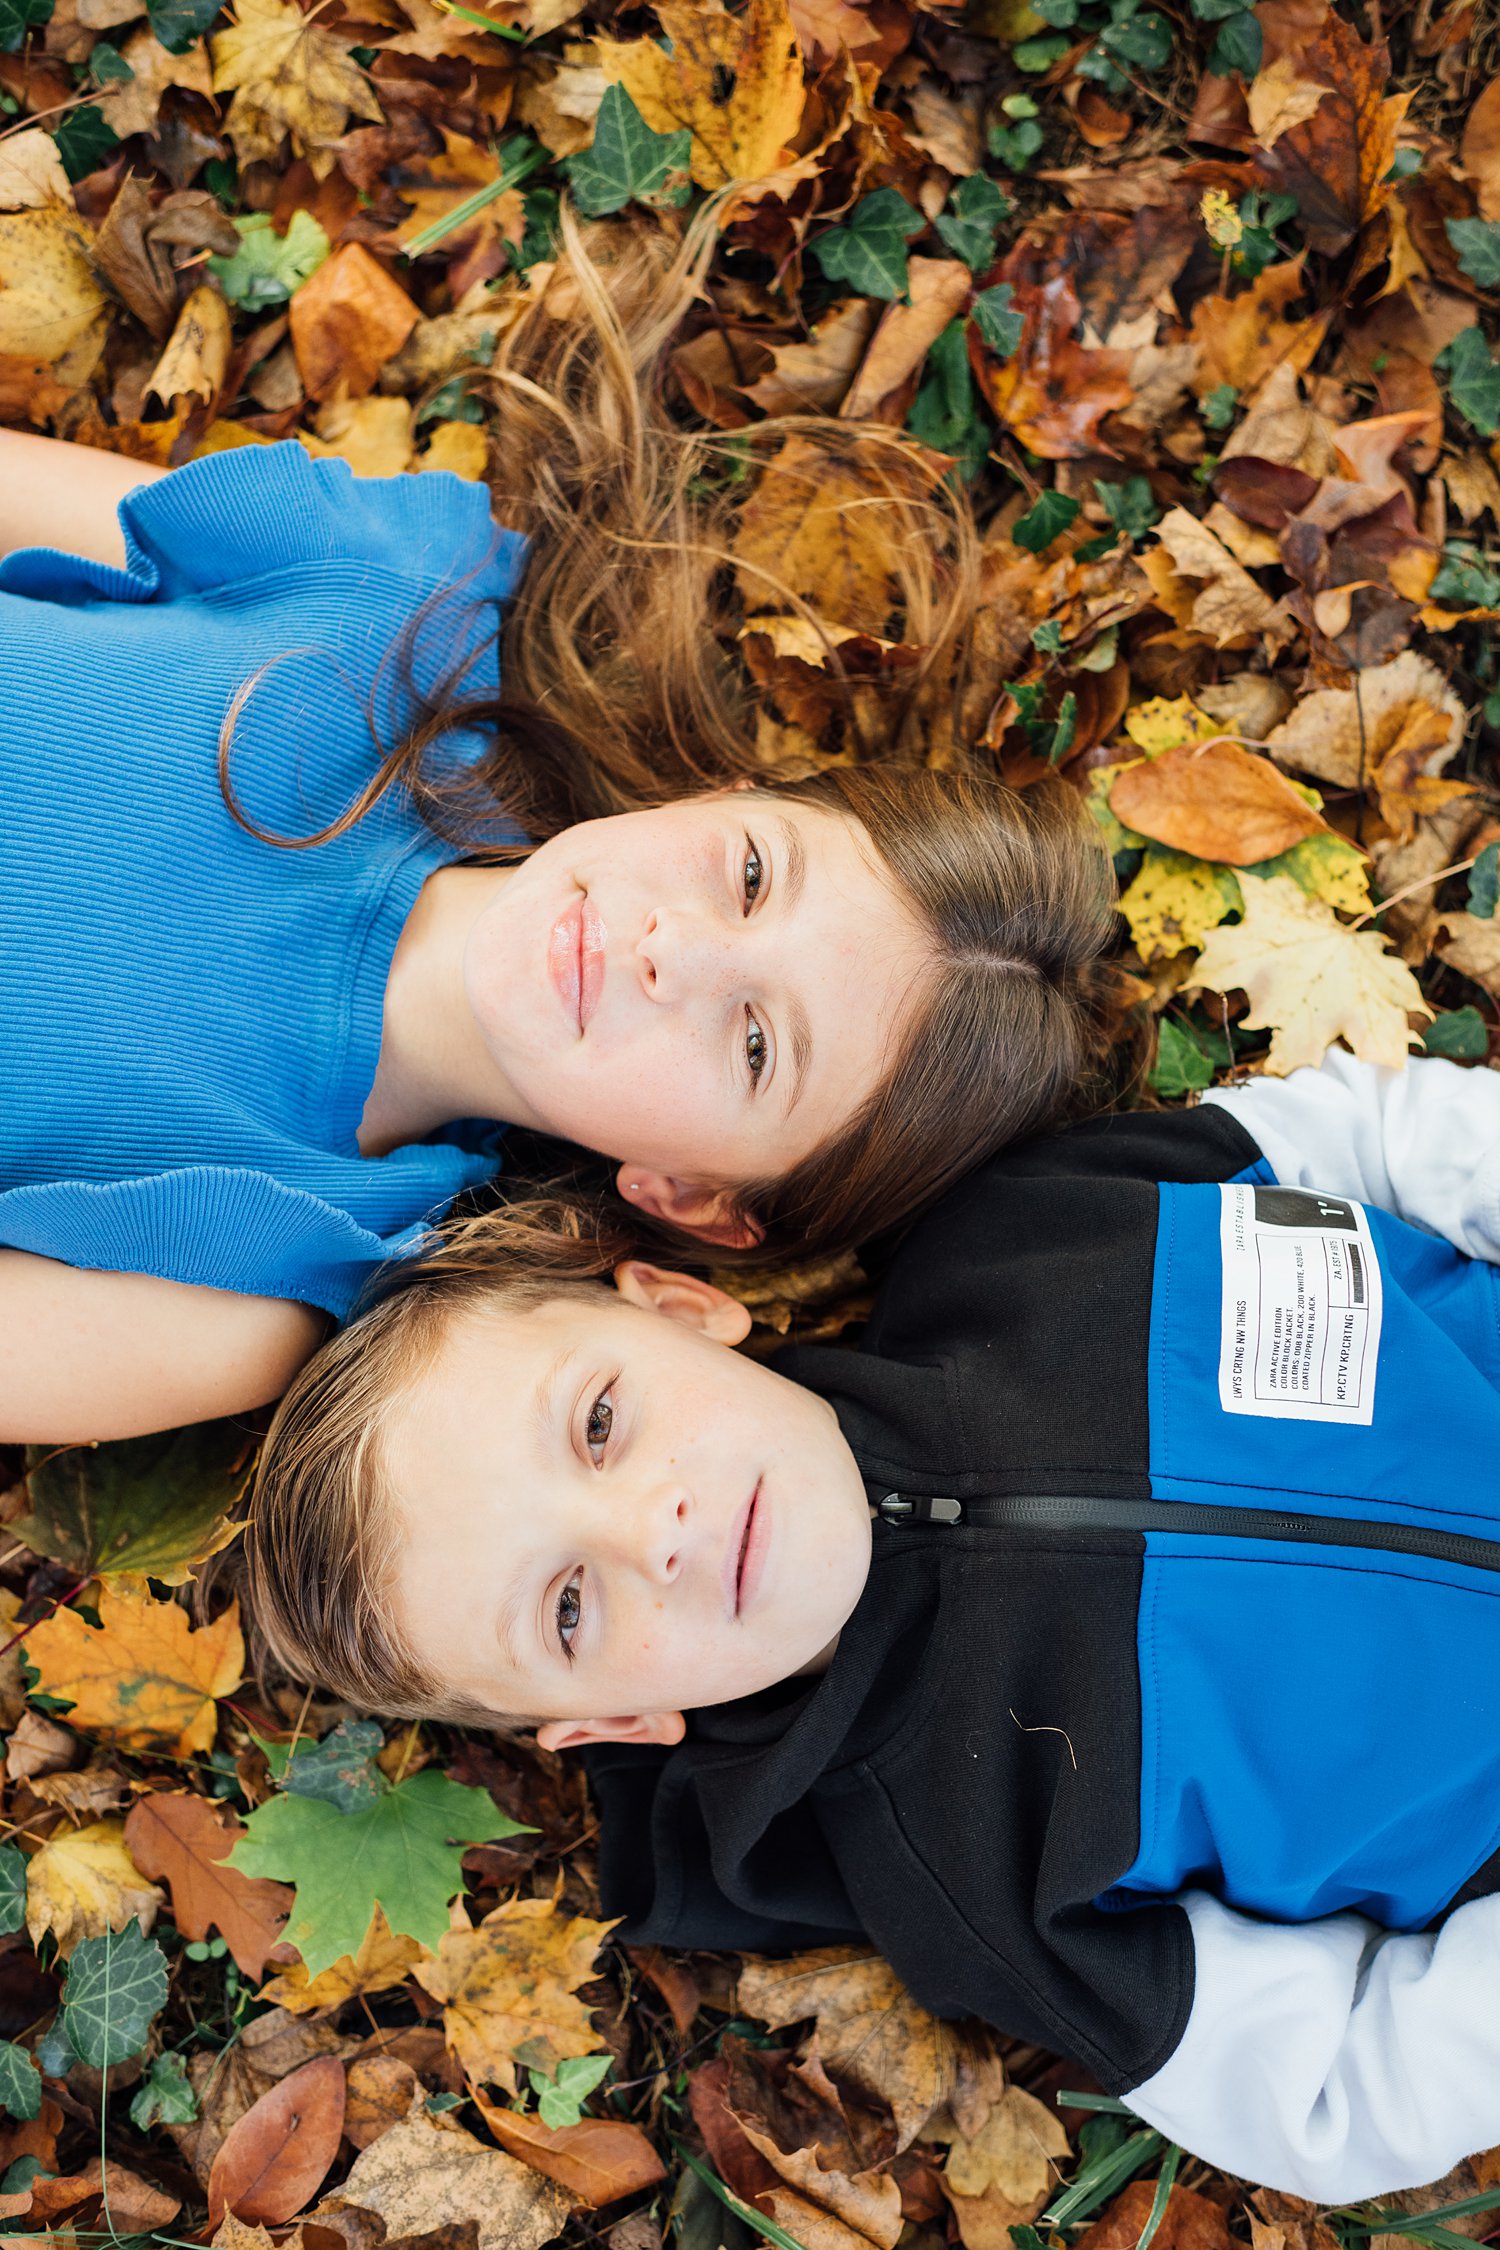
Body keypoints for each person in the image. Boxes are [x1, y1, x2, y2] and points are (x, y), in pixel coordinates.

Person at [249, 1045, 1500, 2204]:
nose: (654, 1529)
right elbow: (1334, 2092)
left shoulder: (1026, 1233)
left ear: (679, 1309)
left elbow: (1359, 1144)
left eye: (598, 1427)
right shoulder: (968, 1870)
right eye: (570, 1603)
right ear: (619, 1720)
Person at [0, 211, 1119, 1446]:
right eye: (751, 876)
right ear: (722, 798)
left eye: (755, 1045)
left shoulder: (246, 1271)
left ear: (693, 1198)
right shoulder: (393, 611)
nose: (673, 952)